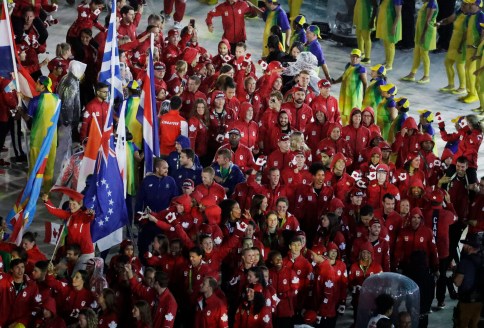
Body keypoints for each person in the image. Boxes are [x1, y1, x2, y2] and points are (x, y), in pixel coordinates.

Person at [19, 76, 60, 191]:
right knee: (49, 168)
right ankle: (47, 193)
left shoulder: (35, 101)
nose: (35, 85)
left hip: (37, 140)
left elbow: (27, 118)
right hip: (51, 139)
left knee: (34, 167)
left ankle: (31, 191)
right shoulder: (57, 98)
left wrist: (20, 109)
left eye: (37, 83)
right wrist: (25, 97)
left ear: (42, 86)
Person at [42, 189, 95, 270]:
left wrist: (91, 214)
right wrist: (46, 201)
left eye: (74, 204)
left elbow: (89, 217)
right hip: (72, 252)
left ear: (80, 205)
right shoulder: (68, 215)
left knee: (77, 276)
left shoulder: (83, 216)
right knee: (57, 270)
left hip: (85, 252)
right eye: (70, 204)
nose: (71, 206)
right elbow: (54, 210)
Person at [401, 0, 438, 84]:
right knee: (417, 53)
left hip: (426, 32)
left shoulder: (432, 3)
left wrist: (423, 35)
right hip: (420, 31)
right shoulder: (426, 3)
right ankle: (412, 74)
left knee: (424, 54)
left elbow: (428, 21)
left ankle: (426, 76)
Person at [453, 233, 484, 328]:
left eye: (466, 244)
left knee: (462, 324)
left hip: (467, 301)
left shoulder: (465, 262)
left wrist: (455, 274)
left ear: (471, 246)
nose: (464, 245)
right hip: (480, 300)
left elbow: (457, 282)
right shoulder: (482, 259)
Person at [438, 2, 467, 95]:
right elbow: (449, 19)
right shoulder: (459, 12)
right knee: (448, 62)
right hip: (454, 41)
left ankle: (463, 87)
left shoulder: (470, 17)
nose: (462, 6)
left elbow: (467, 33)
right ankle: (451, 85)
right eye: (462, 4)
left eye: (464, 5)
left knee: (460, 65)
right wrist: (440, 22)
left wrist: (461, 45)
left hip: (462, 44)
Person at [333, 49, 367, 125]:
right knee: (343, 114)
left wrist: (364, 97)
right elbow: (344, 77)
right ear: (350, 57)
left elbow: (365, 84)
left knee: (352, 115)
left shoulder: (361, 69)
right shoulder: (348, 65)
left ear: (360, 59)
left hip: (353, 98)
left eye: (357, 57)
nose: (354, 59)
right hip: (344, 95)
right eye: (353, 56)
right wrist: (334, 82)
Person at [376, 0, 402, 70]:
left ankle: (389, 65)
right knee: (386, 43)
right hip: (385, 23)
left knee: (390, 44)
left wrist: (394, 27)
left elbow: (398, 14)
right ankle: (387, 61)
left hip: (391, 24)